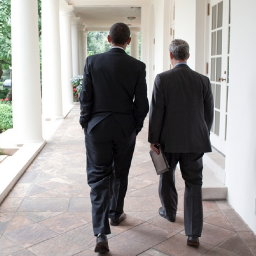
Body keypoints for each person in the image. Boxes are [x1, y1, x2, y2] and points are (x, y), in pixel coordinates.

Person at [79, 22, 149, 253]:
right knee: (121, 171)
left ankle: (101, 233)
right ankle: (116, 213)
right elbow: (142, 104)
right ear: (128, 41)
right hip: (123, 128)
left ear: (108, 39)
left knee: (99, 178)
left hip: (97, 127)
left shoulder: (93, 61)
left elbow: (85, 96)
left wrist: (85, 122)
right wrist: (134, 127)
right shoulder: (137, 66)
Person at [148, 39, 214, 246]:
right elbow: (208, 114)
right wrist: (202, 134)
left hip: (168, 140)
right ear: (188, 56)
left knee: (166, 176)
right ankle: (193, 233)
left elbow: (156, 113)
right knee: (194, 183)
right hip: (195, 140)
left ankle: (169, 212)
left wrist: (154, 139)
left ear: (171, 56)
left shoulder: (162, 79)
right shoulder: (203, 80)